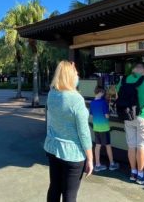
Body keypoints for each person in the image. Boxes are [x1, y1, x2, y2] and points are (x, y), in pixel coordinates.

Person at [44, 61, 93, 202]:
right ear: (71, 77)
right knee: (69, 194)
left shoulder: (51, 94)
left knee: (54, 187)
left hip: (53, 148)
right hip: (73, 154)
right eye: (76, 73)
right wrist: (90, 158)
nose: (77, 76)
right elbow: (83, 132)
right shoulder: (76, 99)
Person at [89, 86, 119, 172]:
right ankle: (112, 164)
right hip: (104, 128)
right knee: (108, 145)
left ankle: (97, 164)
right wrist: (108, 112)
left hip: (96, 127)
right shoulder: (103, 102)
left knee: (97, 146)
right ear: (101, 92)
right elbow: (106, 116)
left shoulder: (92, 102)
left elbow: (91, 115)